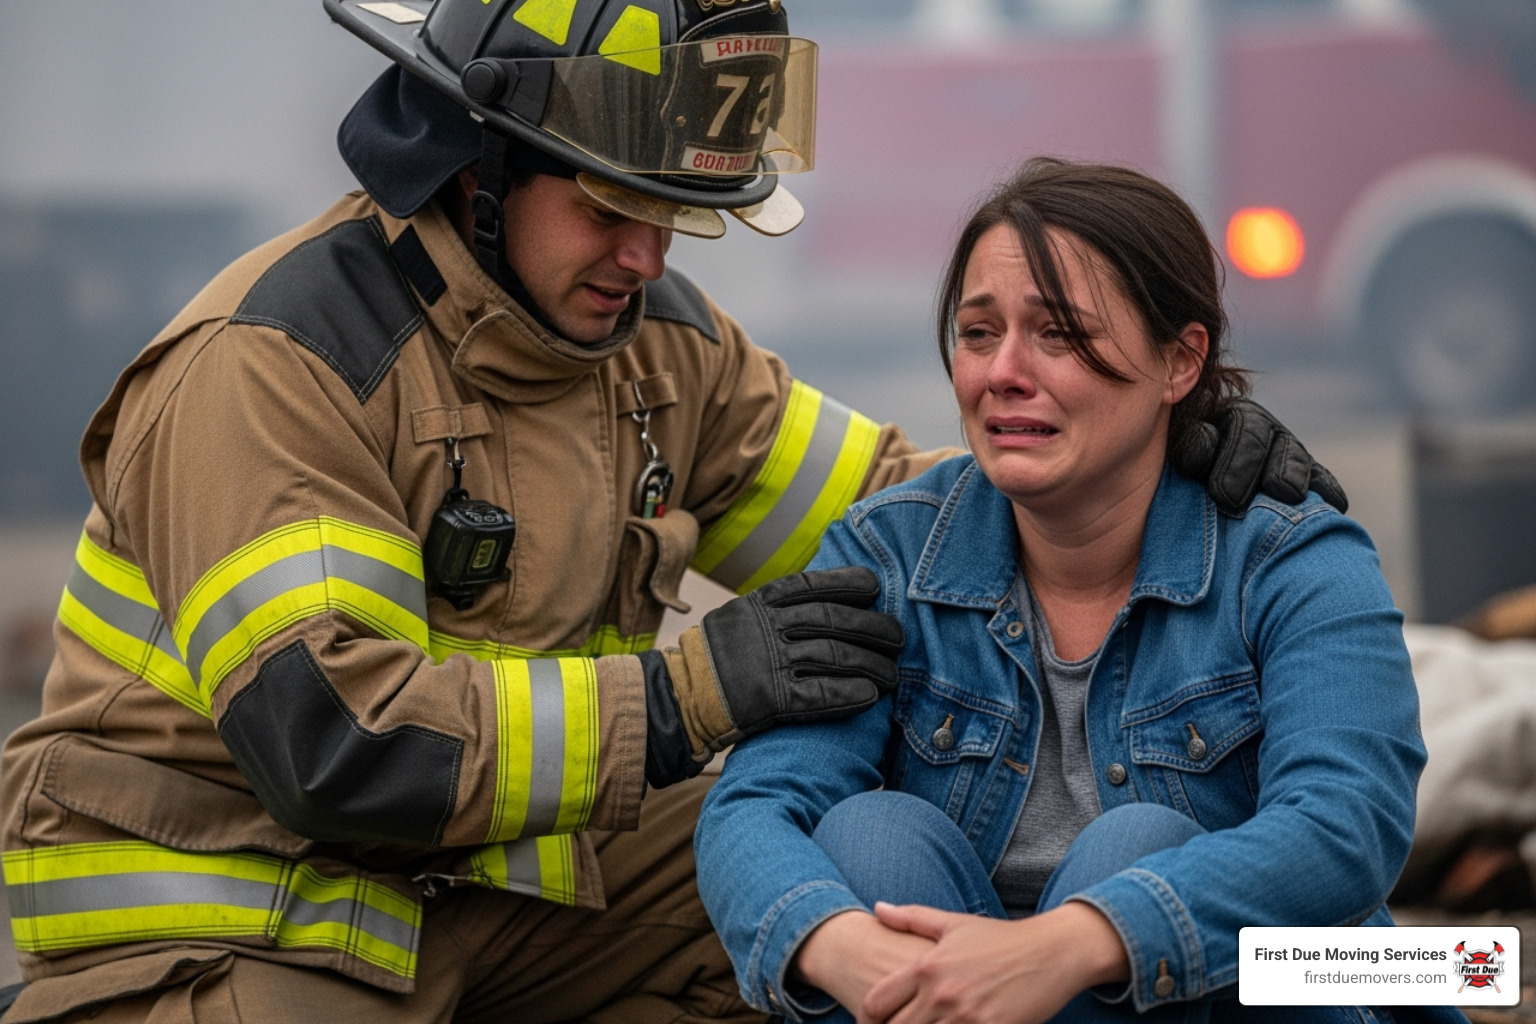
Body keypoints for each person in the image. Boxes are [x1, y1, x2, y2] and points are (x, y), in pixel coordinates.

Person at [0, 2, 1339, 1018]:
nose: (645, 257)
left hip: (483, 896)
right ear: (479, 164)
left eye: (677, 218)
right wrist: (692, 697)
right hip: (235, 922)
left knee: (830, 882)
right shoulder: (276, 365)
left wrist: (1143, 454)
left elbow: (911, 527)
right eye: (609, 209)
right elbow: (346, 748)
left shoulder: (649, 344)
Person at [695, 157, 1462, 1024]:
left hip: (1267, 986)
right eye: (979, 334)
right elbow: (752, 809)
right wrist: (830, 940)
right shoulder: (889, 554)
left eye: (1058, 334)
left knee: (1138, 849)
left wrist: (1078, 942)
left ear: (1180, 362)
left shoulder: (1296, 558)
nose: (1004, 373)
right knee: (871, 842)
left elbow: (1347, 833)